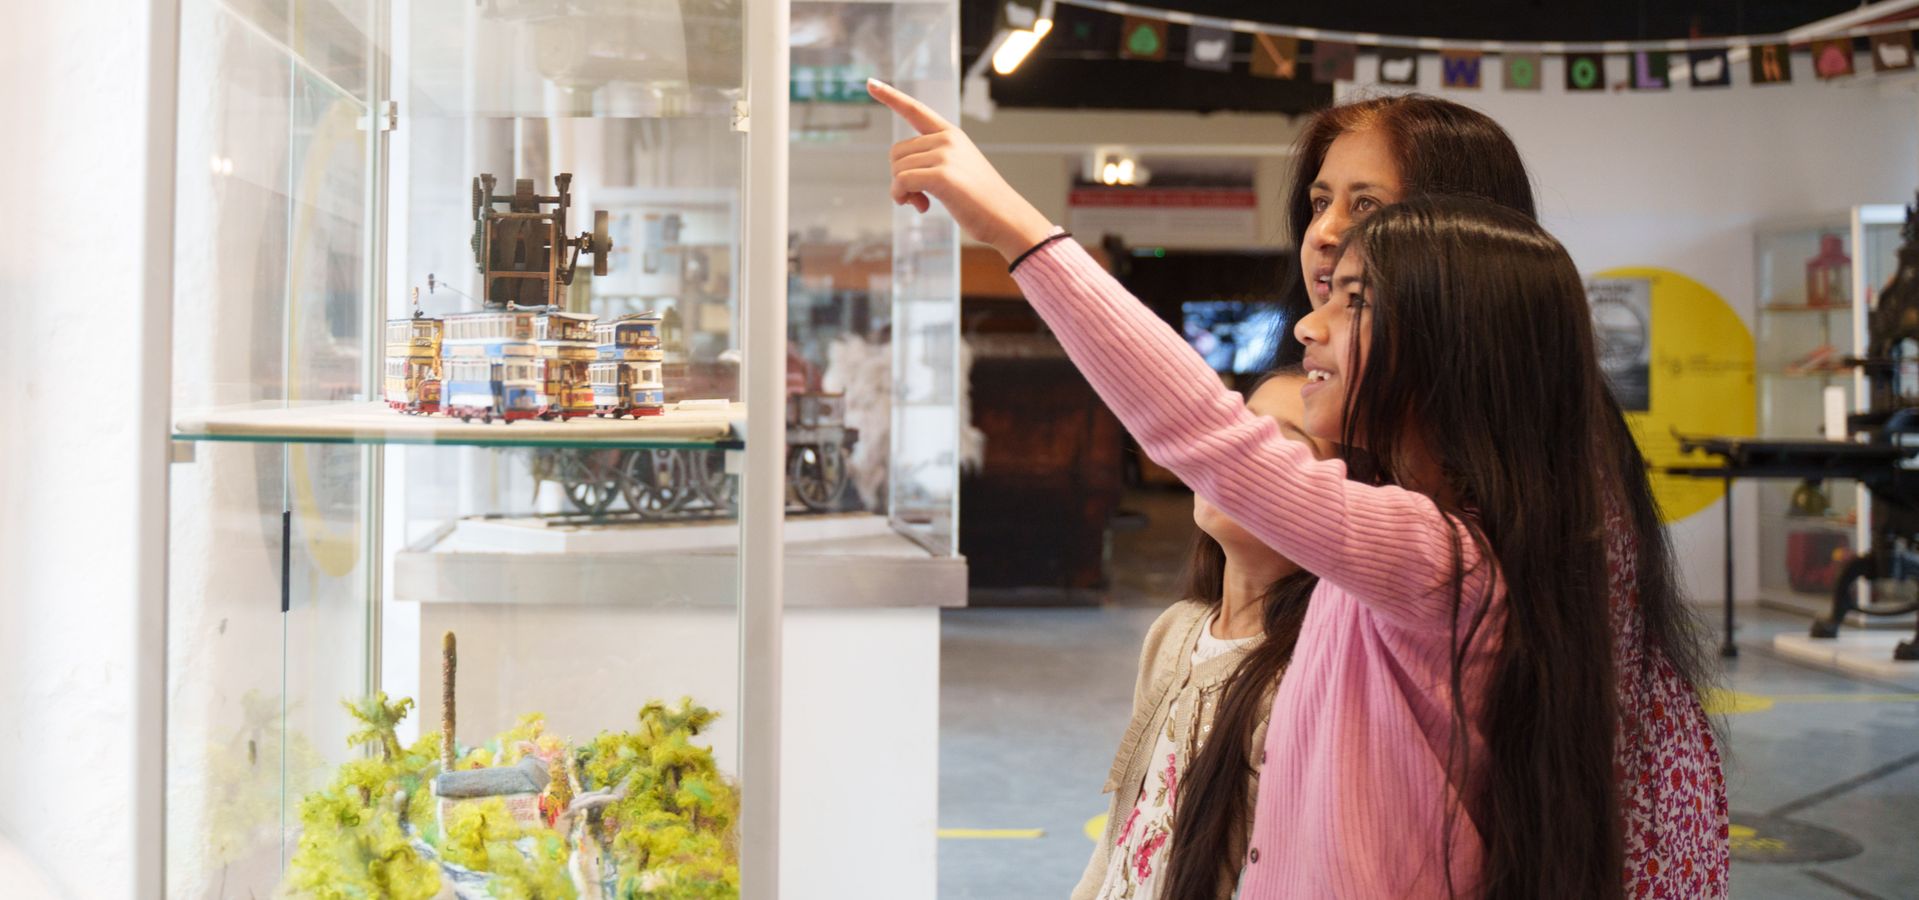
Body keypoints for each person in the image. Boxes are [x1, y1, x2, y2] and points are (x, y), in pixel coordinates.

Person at [868, 80, 1728, 899]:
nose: (1323, 239)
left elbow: (1208, 437)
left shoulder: (1462, 544)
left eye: (1367, 211)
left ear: (1456, 294)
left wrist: (1014, 229)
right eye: (1319, 202)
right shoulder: (1474, 494)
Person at [1077, 373, 1324, 900]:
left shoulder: (1299, 680)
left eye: (1279, 447)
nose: (1234, 457)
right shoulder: (1175, 630)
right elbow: (1125, 823)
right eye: (1238, 431)